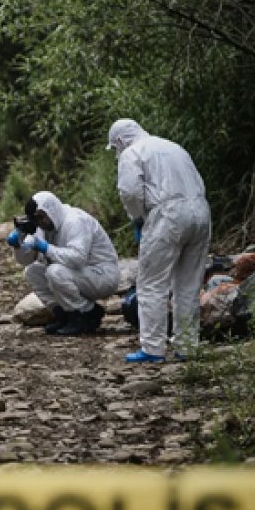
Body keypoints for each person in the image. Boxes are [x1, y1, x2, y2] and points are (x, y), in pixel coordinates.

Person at [107, 118, 212, 363]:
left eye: (115, 147)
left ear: (120, 140)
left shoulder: (132, 153)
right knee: (188, 285)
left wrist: (137, 218)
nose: (117, 152)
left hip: (167, 215)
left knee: (152, 284)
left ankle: (152, 348)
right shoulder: (174, 147)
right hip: (200, 211)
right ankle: (187, 346)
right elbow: (198, 182)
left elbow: (130, 192)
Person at [7, 191, 120, 336]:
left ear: (51, 210)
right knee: (32, 271)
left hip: (102, 274)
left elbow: (77, 258)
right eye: (36, 219)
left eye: (41, 217)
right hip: (81, 274)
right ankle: (65, 314)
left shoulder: (75, 220)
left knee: (55, 271)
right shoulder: (44, 227)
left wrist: (46, 248)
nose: (40, 222)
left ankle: (87, 313)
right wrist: (18, 245)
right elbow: (25, 260)